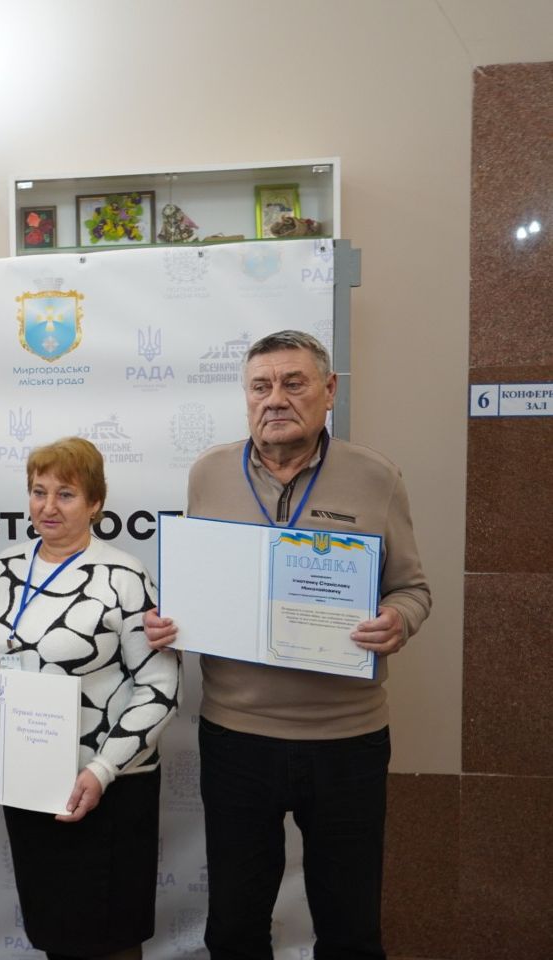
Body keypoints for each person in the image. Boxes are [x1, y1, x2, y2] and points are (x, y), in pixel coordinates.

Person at [145, 330, 432, 960]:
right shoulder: (209, 473)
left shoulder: (376, 476)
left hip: (348, 741)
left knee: (351, 929)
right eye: (260, 386)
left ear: (329, 391)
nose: (275, 398)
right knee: (235, 926)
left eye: (293, 383)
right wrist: (171, 622)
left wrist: (398, 620)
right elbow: (199, 587)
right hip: (236, 738)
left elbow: (413, 589)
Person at [0, 437, 180, 960]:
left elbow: (160, 688)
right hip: (28, 782)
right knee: (53, 930)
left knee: (110, 938)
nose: (48, 506)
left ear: (95, 503)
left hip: (109, 786)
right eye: (39, 492)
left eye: (66, 494)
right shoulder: (3, 570)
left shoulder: (125, 576)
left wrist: (101, 772)